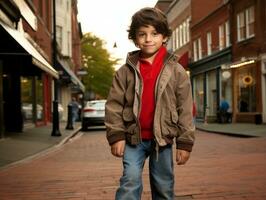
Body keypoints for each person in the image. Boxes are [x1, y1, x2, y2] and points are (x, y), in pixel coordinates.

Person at [105, 7, 195, 199]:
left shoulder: (176, 70)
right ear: (135, 38)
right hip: (133, 139)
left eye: (154, 33)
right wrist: (116, 135)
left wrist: (185, 142)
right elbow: (114, 105)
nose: (148, 39)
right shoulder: (125, 71)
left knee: (163, 185)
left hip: (162, 140)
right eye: (142, 34)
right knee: (130, 180)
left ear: (164, 36)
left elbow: (185, 108)